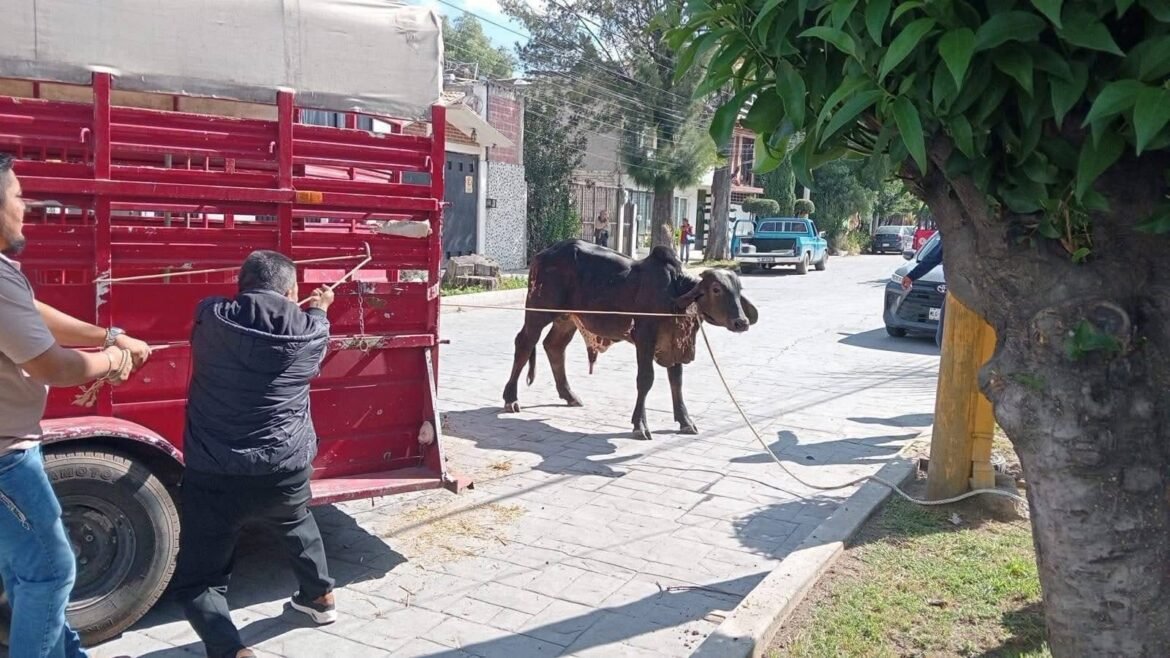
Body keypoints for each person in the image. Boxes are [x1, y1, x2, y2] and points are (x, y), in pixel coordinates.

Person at [0, 152, 149, 658]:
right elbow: (54, 367)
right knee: (52, 570)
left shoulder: (3, 276)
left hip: (13, 447)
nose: (26, 206)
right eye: (17, 195)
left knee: (26, 569)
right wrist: (112, 359)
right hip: (4, 458)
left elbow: (33, 314)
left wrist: (109, 334)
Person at [171, 250, 338, 658]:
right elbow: (316, 326)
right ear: (291, 290)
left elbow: (225, 311)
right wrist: (321, 306)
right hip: (285, 467)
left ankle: (230, 650)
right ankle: (319, 598)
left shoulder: (211, 316)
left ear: (240, 284)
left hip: (215, 471)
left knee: (200, 580)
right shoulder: (312, 332)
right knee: (296, 517)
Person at [901, 235, 945, 347]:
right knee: (943, 338)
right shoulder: (952, 232)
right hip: (956, 293)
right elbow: (934, 257)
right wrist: (911, 276)